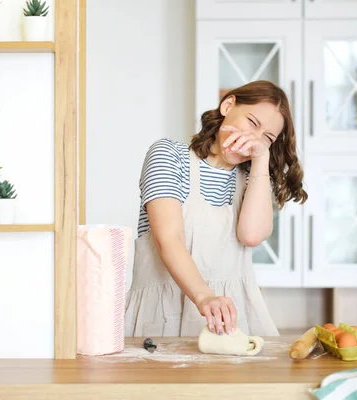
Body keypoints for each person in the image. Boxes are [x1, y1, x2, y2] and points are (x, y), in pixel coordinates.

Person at [124, 80, 308, 338]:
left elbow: (252, 235)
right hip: (162, 313)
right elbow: (169, 238)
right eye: (252, 123)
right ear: (228, 105)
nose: (253, 139)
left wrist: (261, 159)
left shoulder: (253, 177)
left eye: (267, 138)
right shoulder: (168, 154)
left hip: (232, 320)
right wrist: (205, 297)